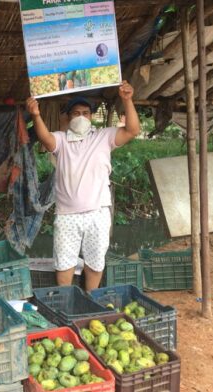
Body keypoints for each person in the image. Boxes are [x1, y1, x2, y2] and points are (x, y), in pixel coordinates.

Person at [26, 81, 140, 292]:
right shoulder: (60, 140)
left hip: (98, 213)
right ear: (68, 118)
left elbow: (133, 130)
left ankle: (90, 297)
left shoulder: (103, 136)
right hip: (67, 215)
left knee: (96, 261)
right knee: (64, 262)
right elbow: (46, 139)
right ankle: (67, 300)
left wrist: (127, 100)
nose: (81, 116)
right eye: (76, 112)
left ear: (91, 116)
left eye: (85, 113)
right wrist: (35, 115)